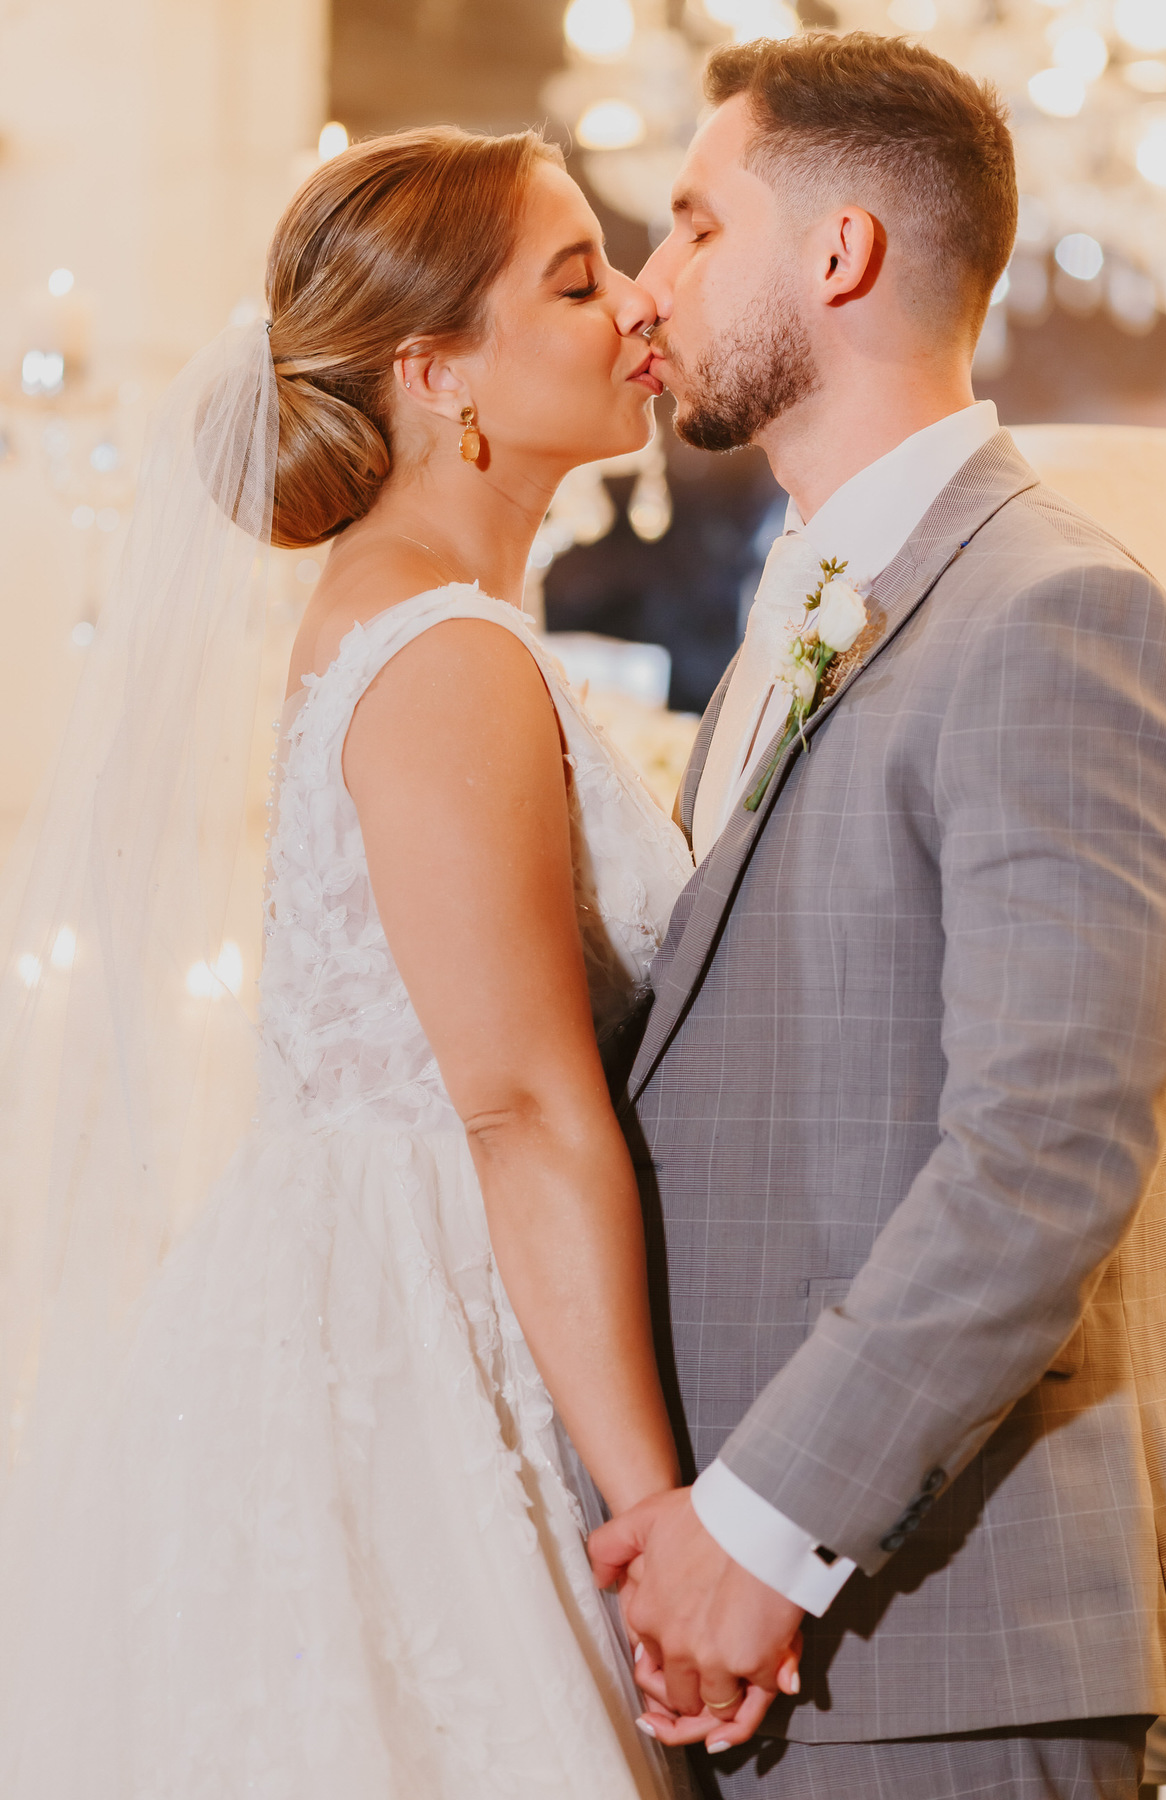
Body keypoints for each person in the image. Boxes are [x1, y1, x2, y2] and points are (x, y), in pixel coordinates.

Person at [0, 125, 706, 1797]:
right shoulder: (443, 648)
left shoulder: (397, 612)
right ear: (436, 368)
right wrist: (655, 1510)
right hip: (423, 1345)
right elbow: (524, 1107)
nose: (636, 310)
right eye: (576, 278)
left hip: (362, 1291)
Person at [590, 30, 1166, 1800]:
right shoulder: (818, 602)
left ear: (839, 254)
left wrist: (763, 1530)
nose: (652, 281)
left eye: (697, 225)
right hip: (780, 1643)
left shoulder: (1054, 613)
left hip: (945, 1636)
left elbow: (1046, 1149)